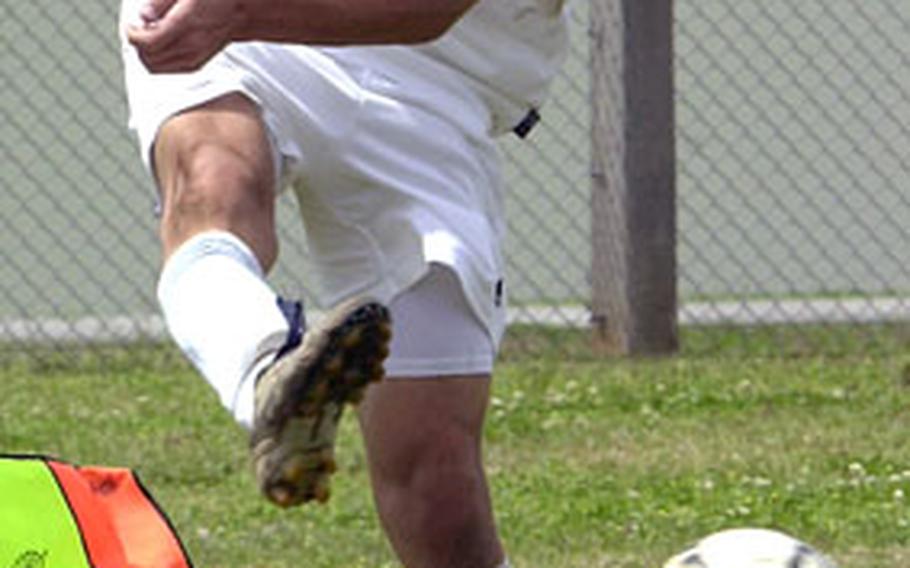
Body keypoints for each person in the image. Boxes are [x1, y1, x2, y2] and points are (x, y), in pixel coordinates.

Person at [119, 0, 568, 566]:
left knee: (435, 482)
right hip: (225, 29)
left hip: (436, 77)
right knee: (213, 185)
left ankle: (278, 385)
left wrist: (237, 14)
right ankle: (265, 375)